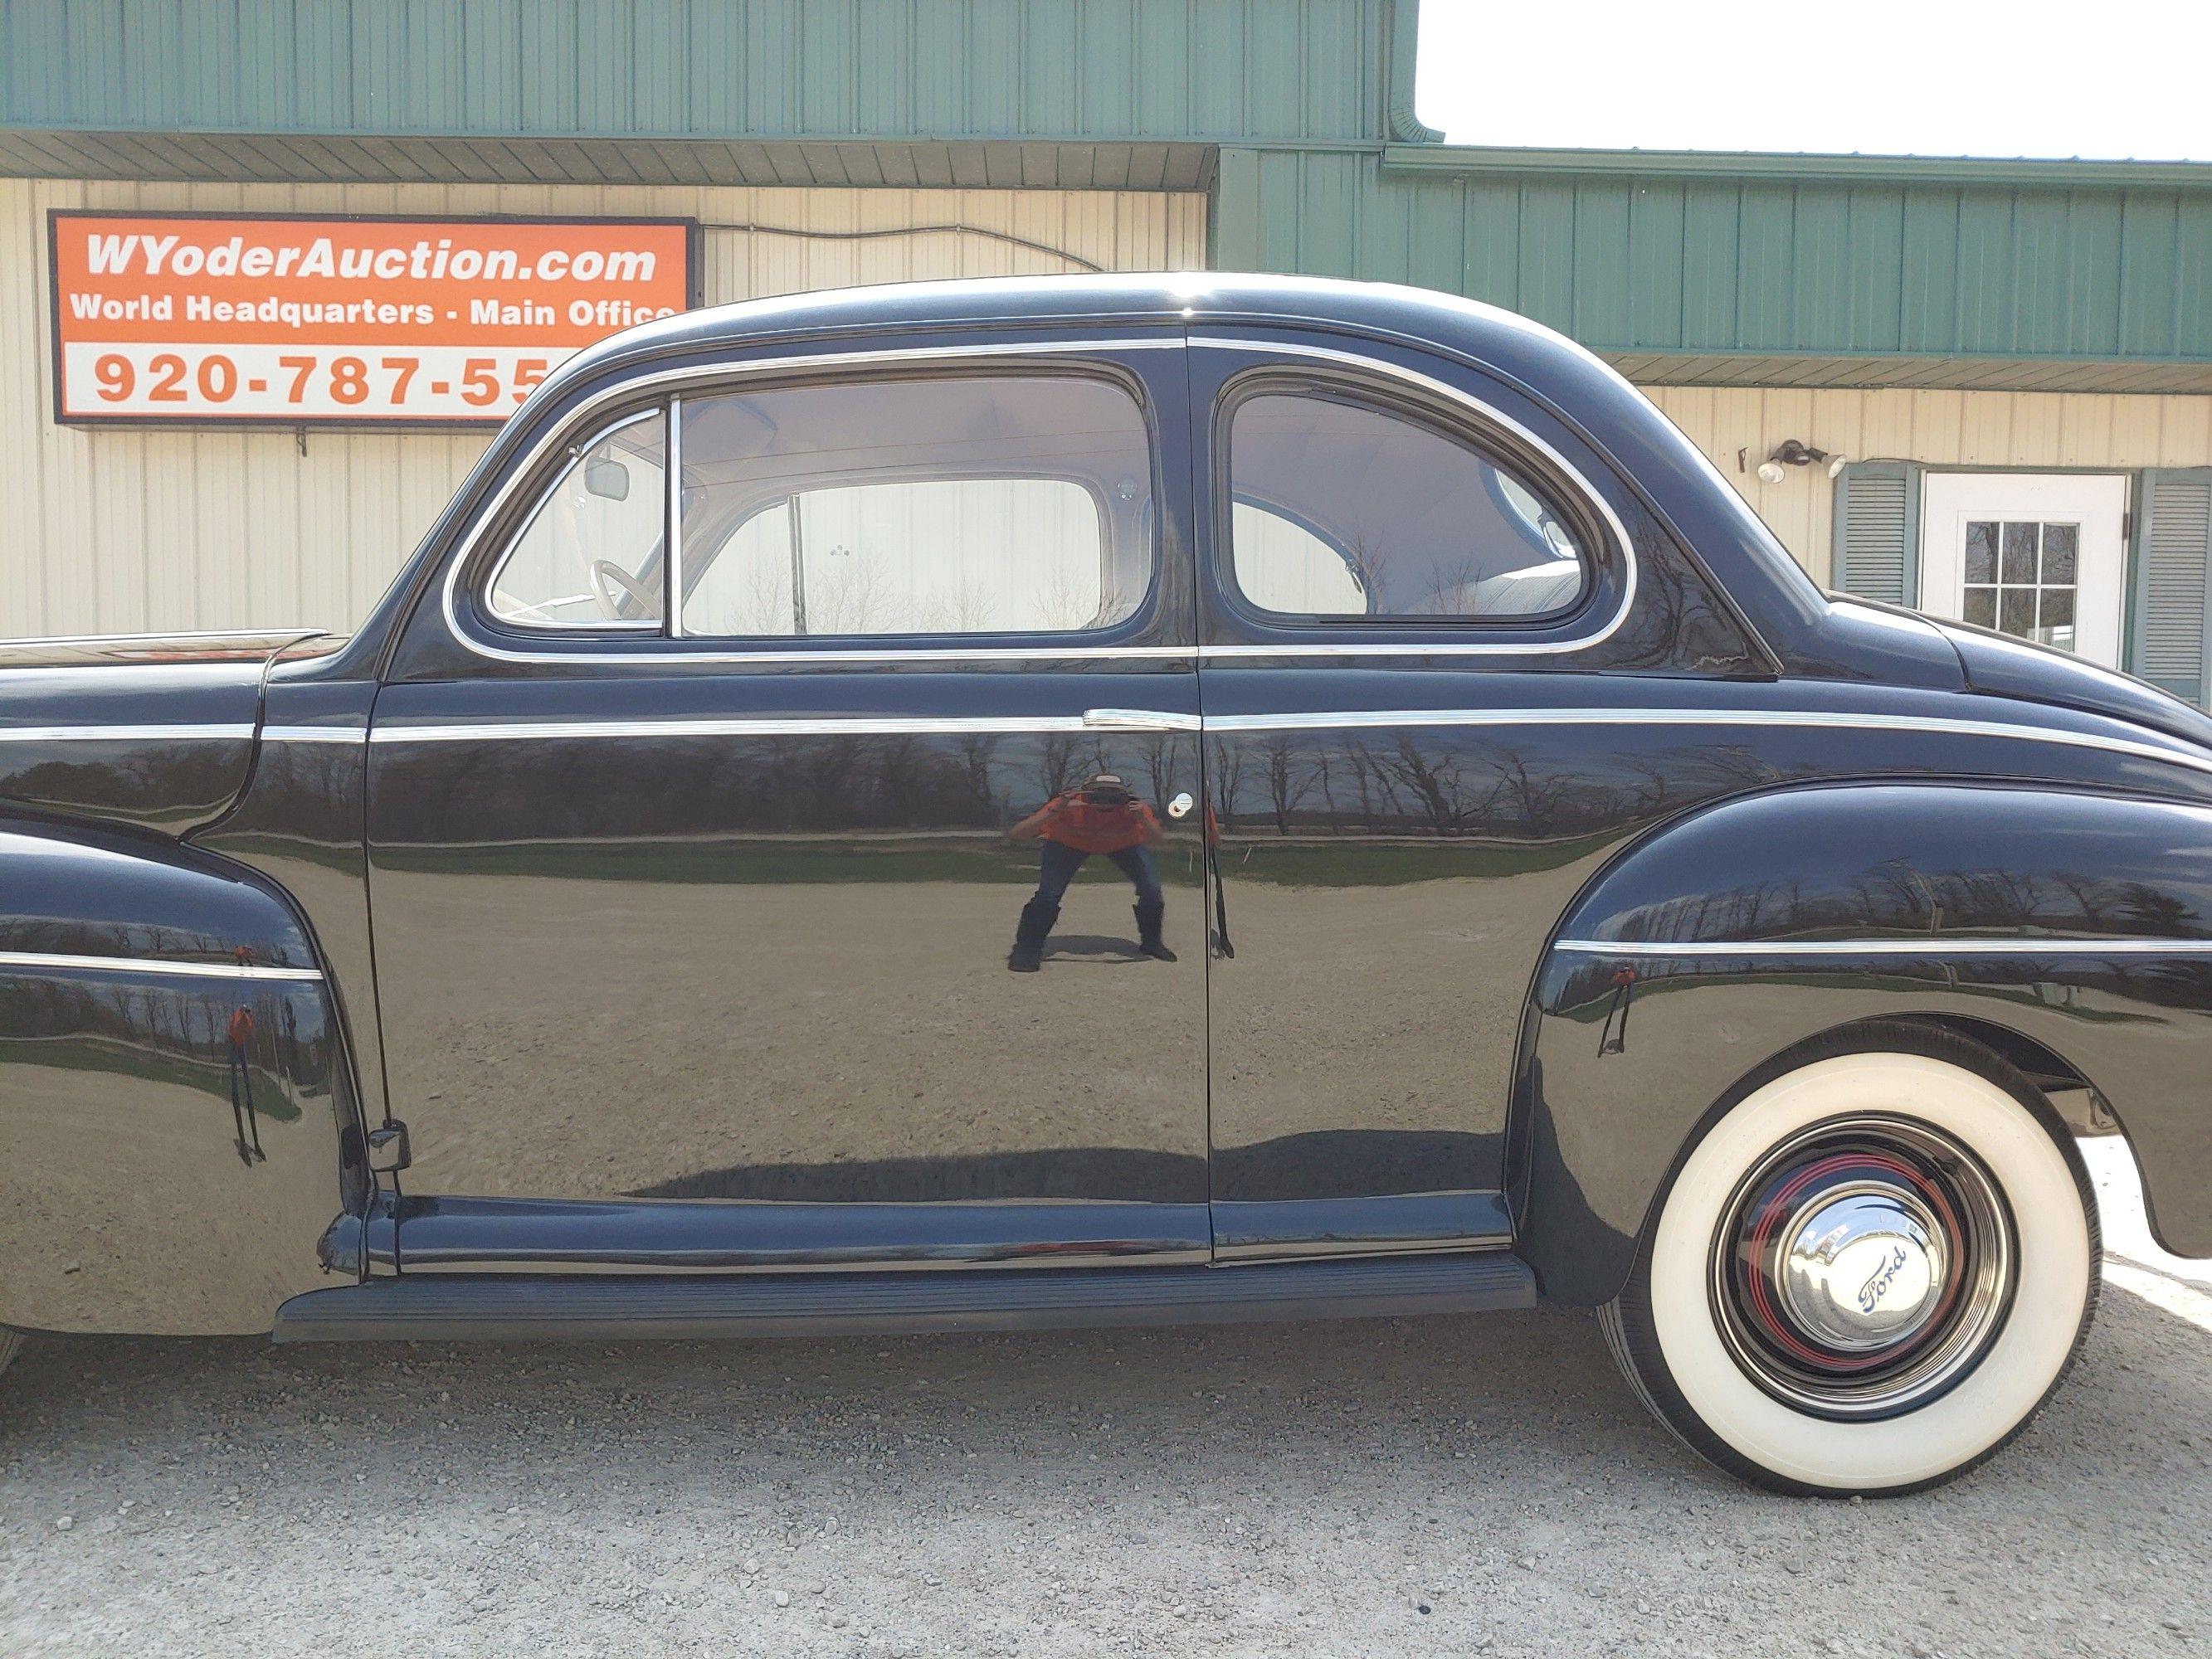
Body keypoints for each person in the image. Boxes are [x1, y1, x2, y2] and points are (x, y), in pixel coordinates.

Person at [1005, 772, 1176, 972]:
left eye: (1112, 795)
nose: (1104, 800)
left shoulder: (1133, 809)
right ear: (1084, 794)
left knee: (1151, 888)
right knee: (1049, 893)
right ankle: (1027, 949)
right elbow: (1017, 834)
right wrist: (1055, 811)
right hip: (1067, 844)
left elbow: (1159, 842)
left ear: (1124, 796)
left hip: (1123, 845)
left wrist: (1142, 819)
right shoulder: (1068, 806)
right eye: (1098, 794)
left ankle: (1152, 942)